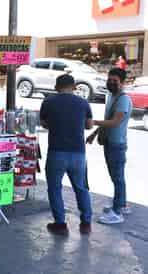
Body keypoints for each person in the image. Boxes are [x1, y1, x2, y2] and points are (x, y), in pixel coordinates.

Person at [40, 74, 94, 235]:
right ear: (74, 87)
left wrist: (57, 124)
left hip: (56, 152)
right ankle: (86, 223)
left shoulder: (49, 101)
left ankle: (60, 223)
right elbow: (89, 125)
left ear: (57, 87)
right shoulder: (83, 103)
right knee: (81, 188)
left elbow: (43, 123)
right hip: (78, 153)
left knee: (55, 188)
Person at [86, 68, 132, 224]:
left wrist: (94, 122)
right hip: (109, 142)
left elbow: (115, 121)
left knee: (118, 178)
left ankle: (117, 212)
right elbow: (108, 118)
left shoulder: (123, 99)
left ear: (123, 82)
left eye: (115, 81)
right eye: (109, 80)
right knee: (117, 177)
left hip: (116, 144)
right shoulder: (112, 96)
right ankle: (122, 204)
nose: (111, 83)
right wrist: (94, 133)